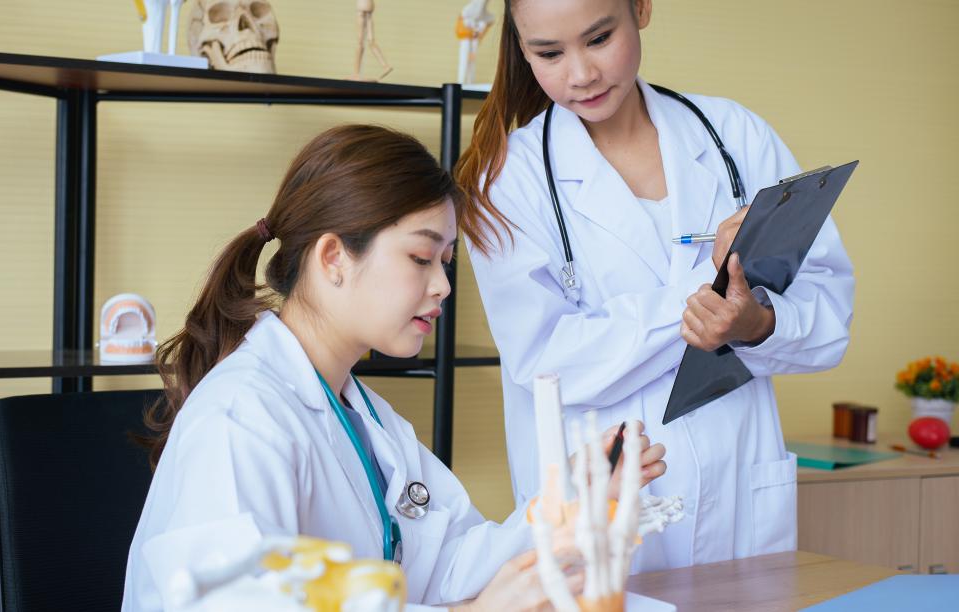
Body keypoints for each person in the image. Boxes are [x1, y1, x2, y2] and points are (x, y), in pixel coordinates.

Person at [121, 124, 668, 611]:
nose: (442, 286)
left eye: (446, 262)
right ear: (334, 257)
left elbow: (447, 561)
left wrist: (571, 495)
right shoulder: (240, 420)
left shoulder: (364, 417)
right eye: (420, 258)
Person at [453, 0, 854, 571]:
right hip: (607, 514)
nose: (581, 73)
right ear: (520, 48)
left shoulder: (734, 136)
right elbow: (549, 362)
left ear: (640, 9)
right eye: (548, 53)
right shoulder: (507, 181)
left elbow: (829, 319)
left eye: (598, 38)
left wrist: (757, 324)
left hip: (740, 494)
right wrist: (707, 292)